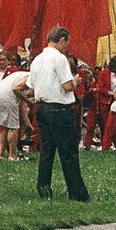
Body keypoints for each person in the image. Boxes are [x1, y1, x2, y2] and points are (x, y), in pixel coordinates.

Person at [28, 26, 90, 201]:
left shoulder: (37, 60)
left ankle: (44, 188)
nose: (67, 46)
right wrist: (75, 81)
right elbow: (67, 86)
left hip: (42, 107)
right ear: (61, 40)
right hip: (60, 109)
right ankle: (77, 193)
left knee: (46, 152)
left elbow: (32, 86)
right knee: (69, 153)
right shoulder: (60, 59)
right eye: (67, 42)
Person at [0, 67, 32, 159]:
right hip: (7, 95)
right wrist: (29, 101)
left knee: (4, 126)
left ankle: (0, 155)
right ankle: (12, 155)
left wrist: (27, 124)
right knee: (13, 127)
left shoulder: (21, 75)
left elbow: (21, 103)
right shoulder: (31, 77)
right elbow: (16, 89)